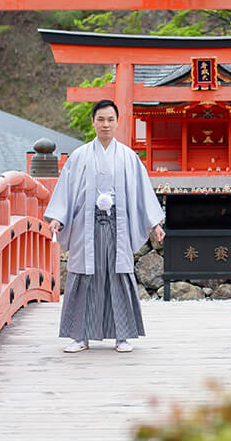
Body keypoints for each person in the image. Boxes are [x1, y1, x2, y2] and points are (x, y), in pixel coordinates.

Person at [45, 99, 165, 353]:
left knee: (118, 276)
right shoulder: (79, 156)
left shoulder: (128, 157)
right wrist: (57, 217)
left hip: (117, 224)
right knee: (85, 277)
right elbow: (65, 191)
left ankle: (122, 335)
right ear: (93, 122)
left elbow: (143, 192)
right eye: (101, 119)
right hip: (86, 226)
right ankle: (81, 336)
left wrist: (155, 223)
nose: (106, 124)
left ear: (117, 122)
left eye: (110, 119)